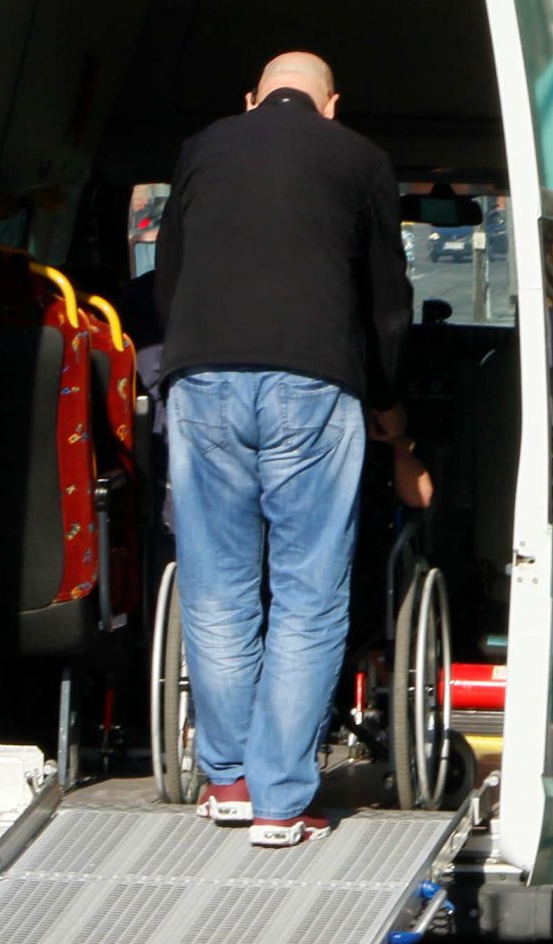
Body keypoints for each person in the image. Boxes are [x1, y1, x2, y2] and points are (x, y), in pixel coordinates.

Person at [155, 51, 431, 848]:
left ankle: (230, 779)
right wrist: (389, 410)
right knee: (308, 592)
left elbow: (170, 277)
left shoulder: (205, 144)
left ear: (251, 99)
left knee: (215, 583)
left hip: (202, 375)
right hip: (313, 380)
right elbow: (387, 300)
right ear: (330, 105)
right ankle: (280, 800)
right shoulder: (360, 158)